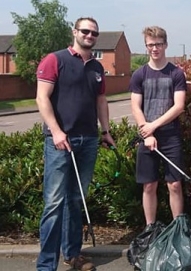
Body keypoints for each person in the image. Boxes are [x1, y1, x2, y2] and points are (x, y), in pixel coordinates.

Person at [35, 17, 115, 271]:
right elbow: (41, 98)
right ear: (75, 32)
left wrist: (106, 131)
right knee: (54, 203)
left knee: (75, 199)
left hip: (88, 141)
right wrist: (57, 132)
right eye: (85, 31)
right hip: (60, 141)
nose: (90, 35)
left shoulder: (96, 67)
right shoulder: (54, 60)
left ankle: (72, 255)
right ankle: (47, 265)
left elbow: (101, 101)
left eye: (94, 33)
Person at [130, 26, 186, 228]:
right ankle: (150, 228)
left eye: (158, 44)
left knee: (175, 185)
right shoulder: (139, 74)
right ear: (146, 46)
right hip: (147, 136)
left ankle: (178, 229)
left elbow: (178, 106)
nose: (155, 48)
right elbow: (135, 106)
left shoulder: (176, 73)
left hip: (171, 136)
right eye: (151, 45)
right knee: (149, 185)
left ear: (165, 45)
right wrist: (147, 131)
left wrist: (153, 126)